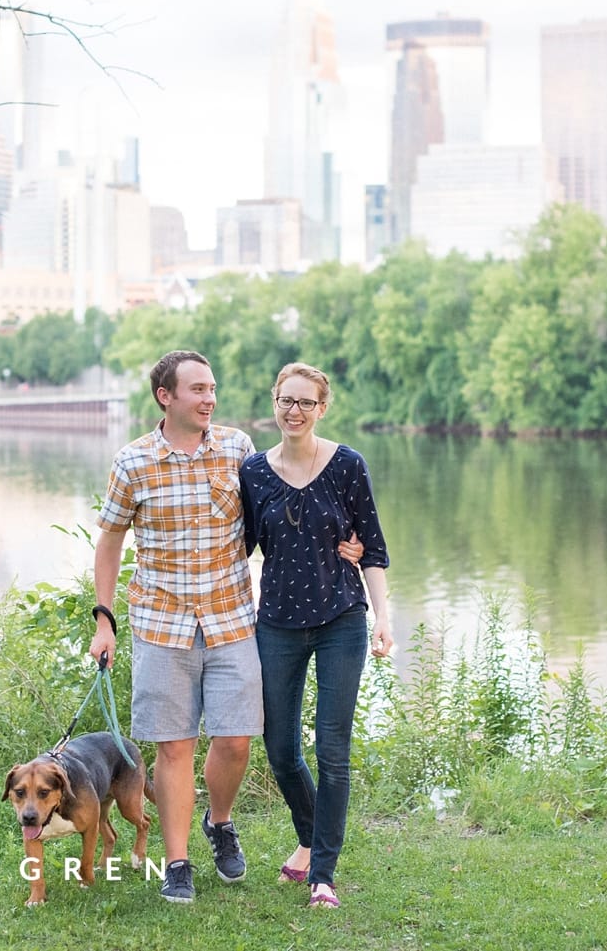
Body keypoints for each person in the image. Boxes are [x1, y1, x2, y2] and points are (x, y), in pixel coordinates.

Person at [88, 349, 259, 905]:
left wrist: (339, 545)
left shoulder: (237, 448)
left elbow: (272, 515)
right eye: (198, 390)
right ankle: (178, 863)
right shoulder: (132, 462)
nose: (210, 399)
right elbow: (110, 541)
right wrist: (104, 619)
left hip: (232, 616)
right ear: (167, 397)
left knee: (235, 740)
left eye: (213, 389)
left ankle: (221, 821)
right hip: (161, 623)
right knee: (175, 748)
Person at [240, 362, 392, 910]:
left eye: (306, 402)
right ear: (274, 402)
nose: (294, 411)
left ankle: (322, 873)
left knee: (332, 749)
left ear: (321, 409)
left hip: (341, 622)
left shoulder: (349, 465)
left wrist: (384, 618)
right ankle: (309, 838)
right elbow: (240, 548)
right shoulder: (254, 472)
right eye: (286, 400)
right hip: (277, 623)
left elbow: (370, 549)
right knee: (279, 749)